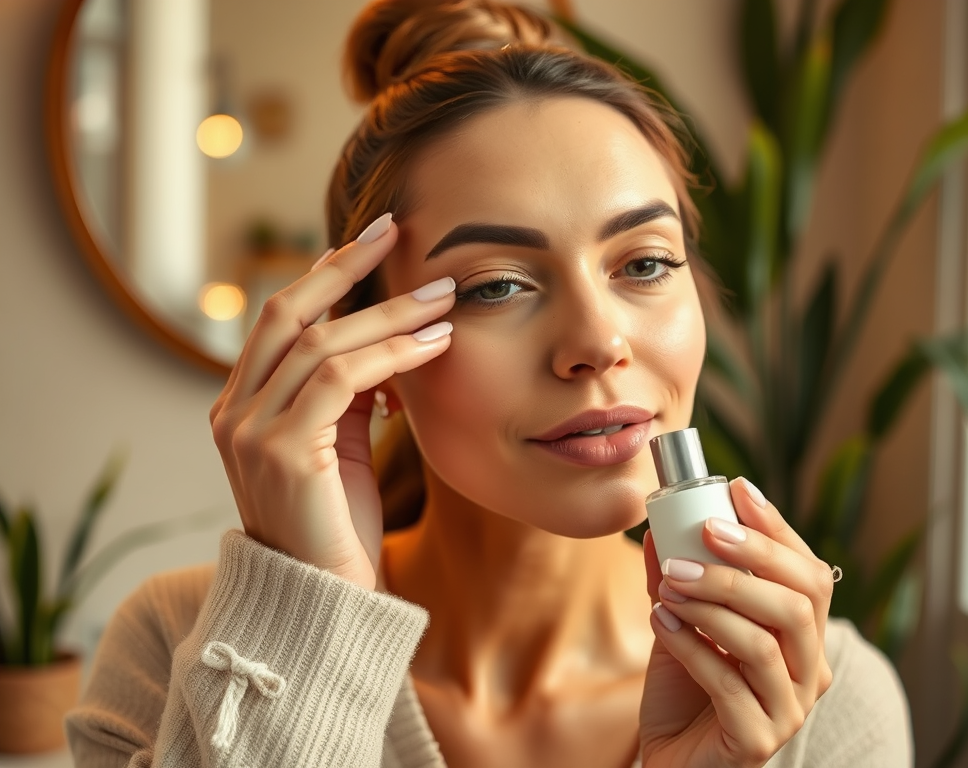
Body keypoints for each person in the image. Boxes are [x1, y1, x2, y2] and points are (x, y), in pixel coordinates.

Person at [65, 1, 913, 765]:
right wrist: (305, 626)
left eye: (646, 262)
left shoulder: (826, 704)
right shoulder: (189, 649)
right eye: (496, 285)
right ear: (368, 348)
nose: (597, 342)